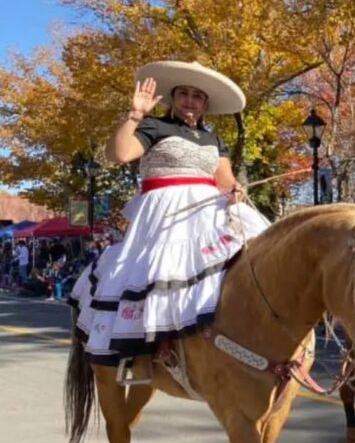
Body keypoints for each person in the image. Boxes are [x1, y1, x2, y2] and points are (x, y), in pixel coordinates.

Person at [69, 61, 270, 363]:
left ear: (206, 103)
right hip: (166, 207)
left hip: (210, 205)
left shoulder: (215, 140)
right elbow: (119, 154)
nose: (190, 100)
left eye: (198, 96)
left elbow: (223, 178)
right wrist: (135, 115)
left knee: (250, 252)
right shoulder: (155, 126)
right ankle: (160, 344)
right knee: (169, 270)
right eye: (184, 93)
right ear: (174, 97)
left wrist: (234, 190)